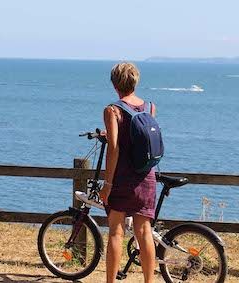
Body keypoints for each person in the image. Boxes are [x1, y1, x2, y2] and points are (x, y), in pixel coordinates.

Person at [99, 62, 157, 283]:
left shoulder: (112, 110)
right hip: (146, 176)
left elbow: (114, 148)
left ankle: (110, 282)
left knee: (116, 232)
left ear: (115, 84)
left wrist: (108, 184)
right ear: (135, 81)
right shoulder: (150, 107)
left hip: (122, 178)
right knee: (144, 232)